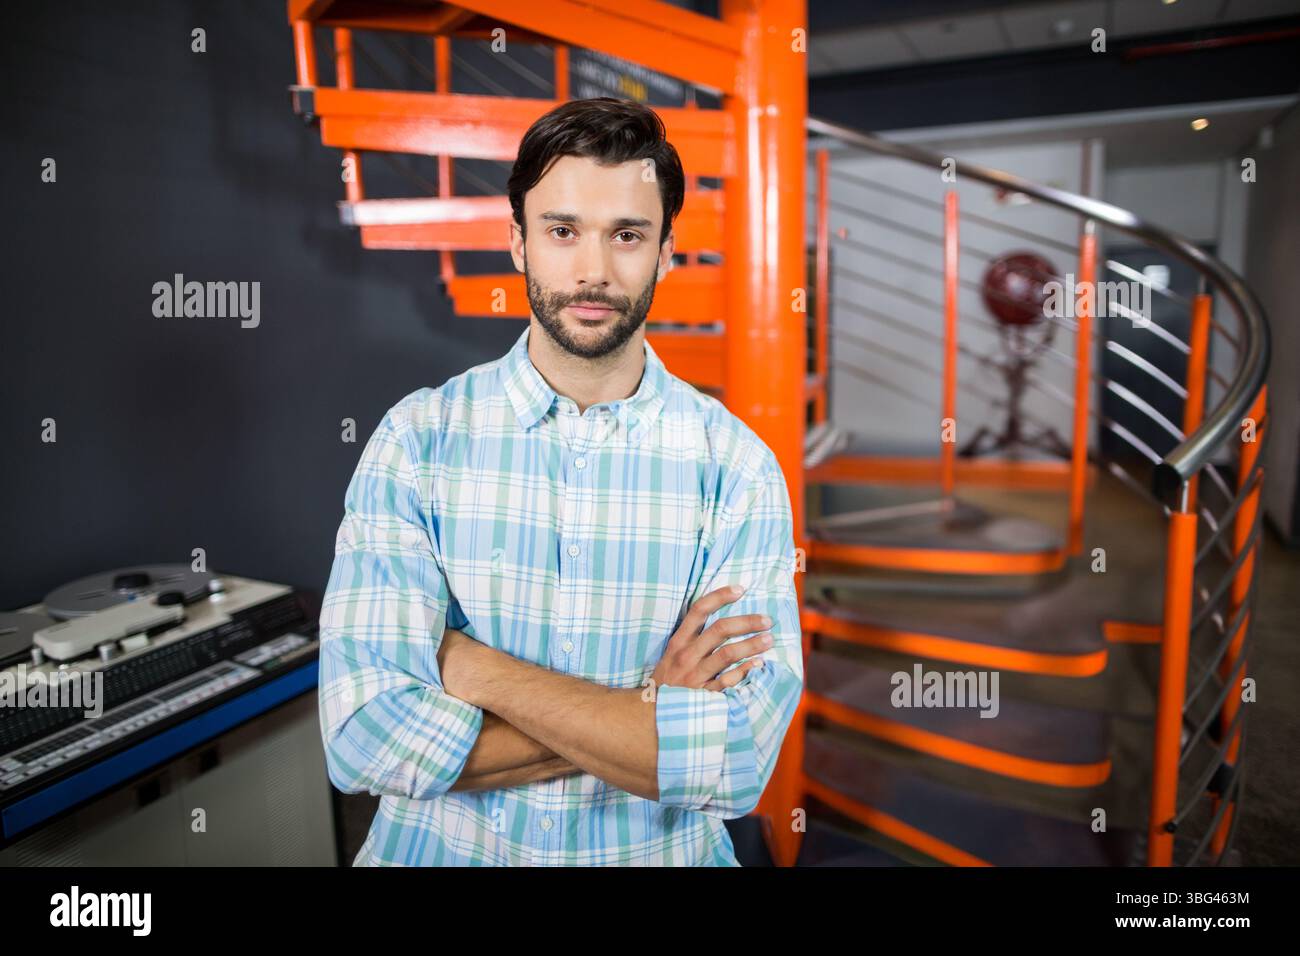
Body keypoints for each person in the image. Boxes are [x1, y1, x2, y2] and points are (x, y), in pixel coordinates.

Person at [318, 96, 803, 866]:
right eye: (562, 230)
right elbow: (363, 741)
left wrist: (471, 666)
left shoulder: (736, 469)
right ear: (517, 242)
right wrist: (646, 714)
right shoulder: (417, 440)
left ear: (667, 251)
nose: (593, 271)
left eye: (628, 235)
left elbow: (735, 760)